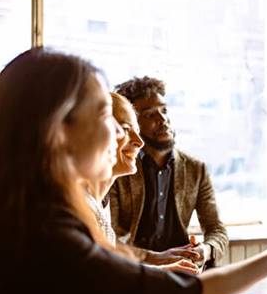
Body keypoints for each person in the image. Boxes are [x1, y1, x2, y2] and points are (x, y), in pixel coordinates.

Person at [0, 48, 267, 294]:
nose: (122, 134)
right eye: (105, 115)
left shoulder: (31, 218)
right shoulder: (49, 234)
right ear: (58, 131)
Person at [110, 76, 227, 269]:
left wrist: (205, 251)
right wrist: (157, 258)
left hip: (186, 269)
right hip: (137, 270)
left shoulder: (196, 168)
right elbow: (108, 238)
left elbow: (217, 230)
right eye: (150, 115)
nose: (163, 120)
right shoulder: (120, 169)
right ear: (133, 125)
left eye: (164, 110)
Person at [85, 92, 200, 274]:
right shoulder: (79, 207)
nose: (139, 142)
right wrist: (160, 269)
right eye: (123, 129)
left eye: (137, 132)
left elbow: (109, 272)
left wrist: (164, 270)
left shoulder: (98, 203)